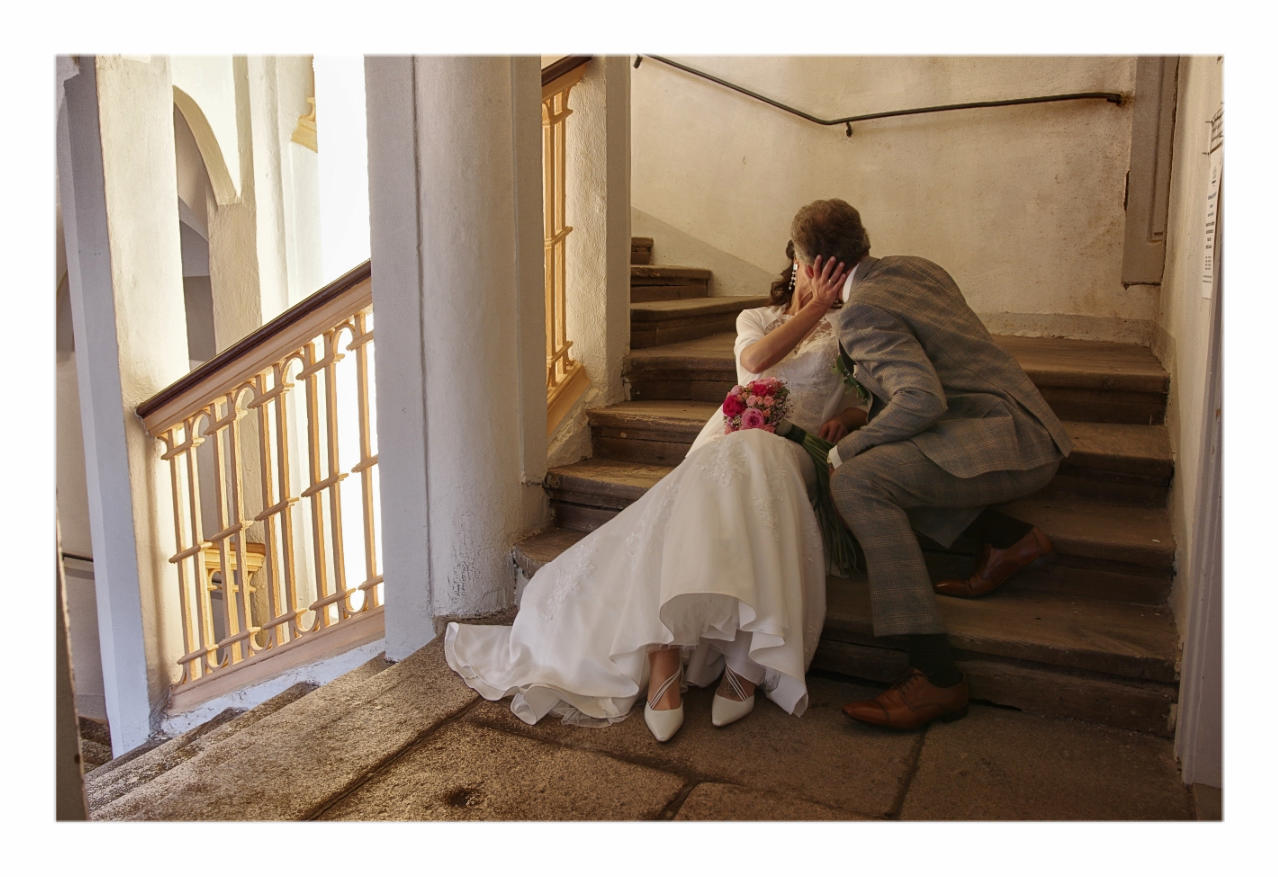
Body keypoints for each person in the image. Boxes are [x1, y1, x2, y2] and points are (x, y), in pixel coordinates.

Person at [443, 242, 865, 742]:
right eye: (813, 264)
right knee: (734, 466)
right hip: (731, 437)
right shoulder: (756, 318)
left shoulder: (851, 325)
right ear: (796, 263)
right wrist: (814, 307)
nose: (822, 275)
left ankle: (745, 660)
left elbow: (867, 396)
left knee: (761, 461)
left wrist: (848, 417)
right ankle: (664, 645)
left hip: (795, 450)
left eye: (834, 267)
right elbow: (753, 364)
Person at [788, 198, 1073, 731]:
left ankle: (935, 674)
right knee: (879, 463)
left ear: (814, 267)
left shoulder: (862, 312)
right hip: (1019, 419)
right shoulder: (917, 267)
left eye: (799, 263)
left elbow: (921, 399)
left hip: (1004, 442)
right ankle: (1007, 539)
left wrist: (851, 446)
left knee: (858, 482)